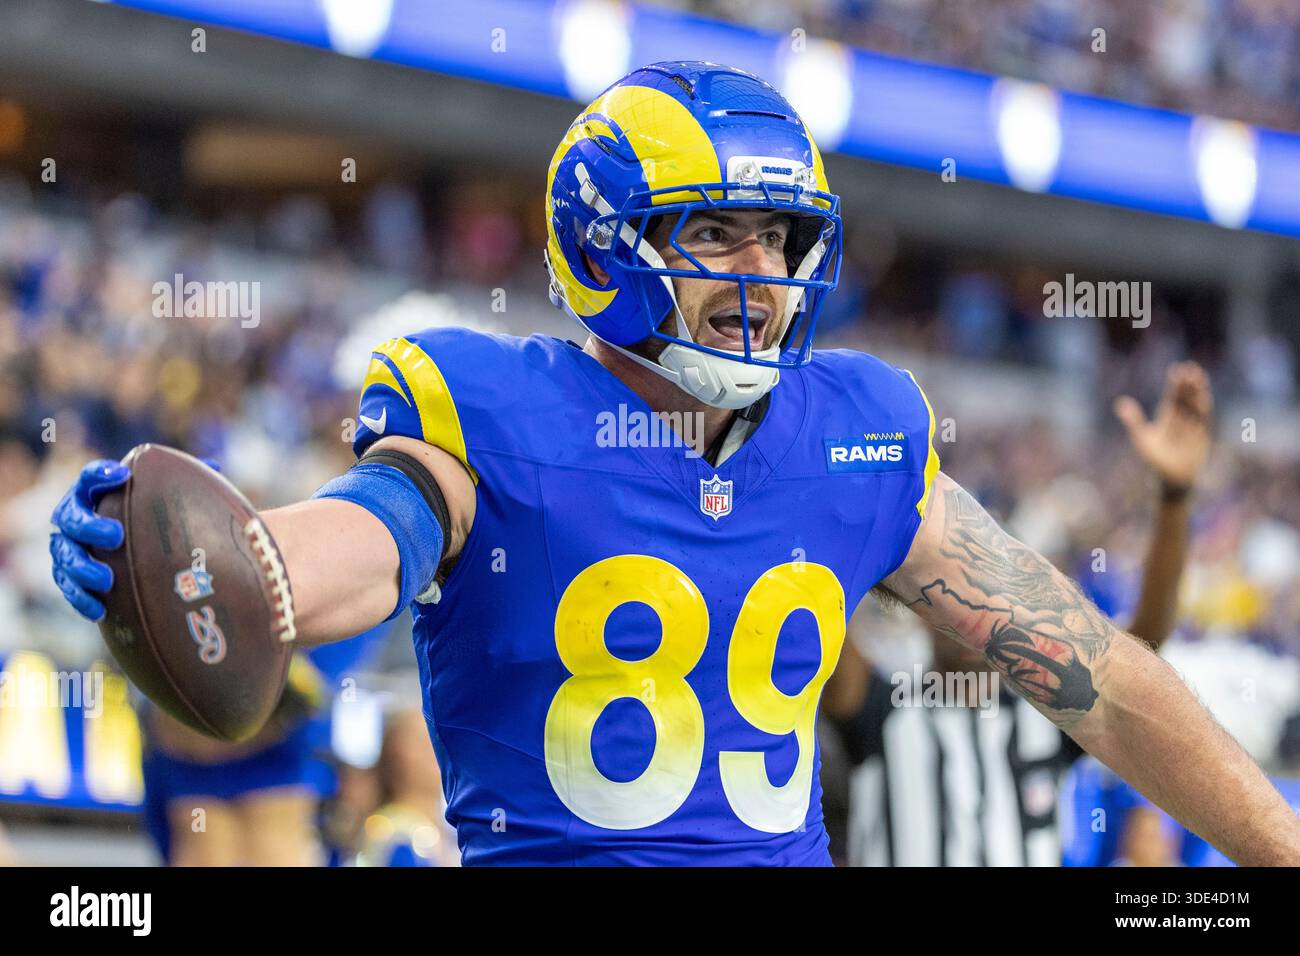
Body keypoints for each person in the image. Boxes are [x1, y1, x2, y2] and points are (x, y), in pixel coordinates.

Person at [48, 62, 1300, 866]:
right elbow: (351, 552)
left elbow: (1098, 673)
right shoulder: (491, 410)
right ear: (607, 244)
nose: (760, 276)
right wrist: (216, 558)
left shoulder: (855, 431)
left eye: (783, 240)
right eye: (714, 235)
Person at [822, 362, 1214, 865]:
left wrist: (1175, 498)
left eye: (990, 589)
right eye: (954, 590)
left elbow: (1143, 651)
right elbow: (819, 615)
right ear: (918, 604)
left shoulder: (1047, 720)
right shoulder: (880, 710)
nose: (973, 611)